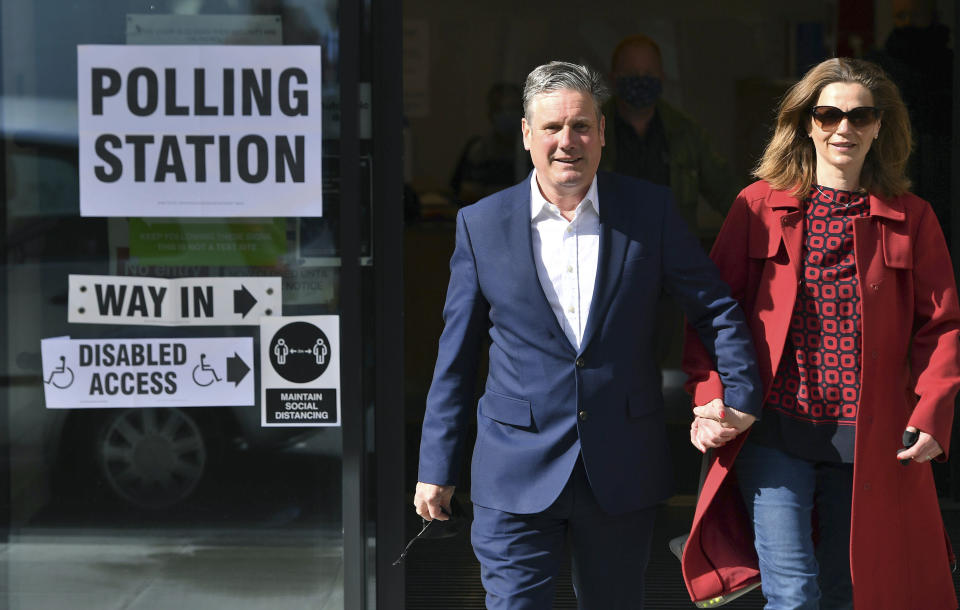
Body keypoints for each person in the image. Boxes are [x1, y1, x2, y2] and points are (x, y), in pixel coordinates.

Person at [414, 60, 761, 608]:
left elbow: (715, 307)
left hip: (622, 466)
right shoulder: (480, 224)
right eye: (551, 127)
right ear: (527, 134)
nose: (566, 141)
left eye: (580, 126)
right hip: (513, 471)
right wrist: (437, 466)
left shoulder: (649, 211)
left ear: (601, 133)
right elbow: (455, 360)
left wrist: (739, 395)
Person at [680, 57, 960, 609]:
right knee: (792, 594)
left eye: (860, 117)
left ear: (880, 126)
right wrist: (710, 398)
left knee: (846, 593)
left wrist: (932, 415)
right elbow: (714, 314)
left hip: (870, 444)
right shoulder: (756, 205)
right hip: (774, 433)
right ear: (806, 122)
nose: (844, 129)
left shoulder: (913, 216)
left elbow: (942, 325)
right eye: (828, 114)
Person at [600, 34, 740, 236]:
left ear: (662, 77)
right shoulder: (590, 133)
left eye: (648, 73)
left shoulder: (686, 133)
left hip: (672, 256)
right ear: (613, 78)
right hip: (611, 255)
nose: (640, 80)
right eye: (631, 73)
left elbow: (727, 193)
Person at [450, 82, 533, 206]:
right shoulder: (478, 150)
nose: (507, 114)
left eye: (513, 108)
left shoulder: (532, 151)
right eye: (501, 109)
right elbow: (465, 194)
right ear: (491, 113)